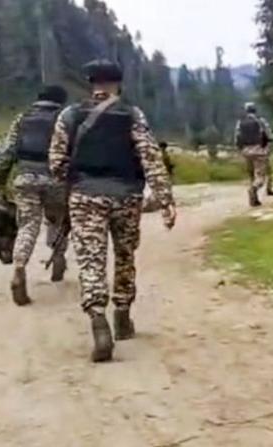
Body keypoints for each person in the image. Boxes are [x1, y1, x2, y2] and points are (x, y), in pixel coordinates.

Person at [49, 59, 177, 362]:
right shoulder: (132, 114)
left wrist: (75, 182)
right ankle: (123, 315)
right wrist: (165, 198)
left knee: (91, 260)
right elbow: (150, 157)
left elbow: (56, 162)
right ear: (118, 84)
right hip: (127, 196)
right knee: (124, 255)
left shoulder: (70, 115)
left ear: (90, 82)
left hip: (85, 196)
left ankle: (98, 321)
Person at [0, 85, 70, 305]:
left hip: (25, 178)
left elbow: (8, 151)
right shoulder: (64, 119)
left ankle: (19, 268)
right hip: (55, 180)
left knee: (28, 226)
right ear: (60, 101)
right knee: (57, 219)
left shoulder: (22, 118)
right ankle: (58, 256)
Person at [234, 102, 273, 207]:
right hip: (259, 150)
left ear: (246, 110)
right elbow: (269, 135)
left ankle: (254, 199)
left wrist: (240, 149)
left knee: (251, 175)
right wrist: (267, 147)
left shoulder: (240, 122)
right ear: (255, 110)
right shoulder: (260, 121)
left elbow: (237, 137)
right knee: (260, 176)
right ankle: (253, 189)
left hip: (246, 151)